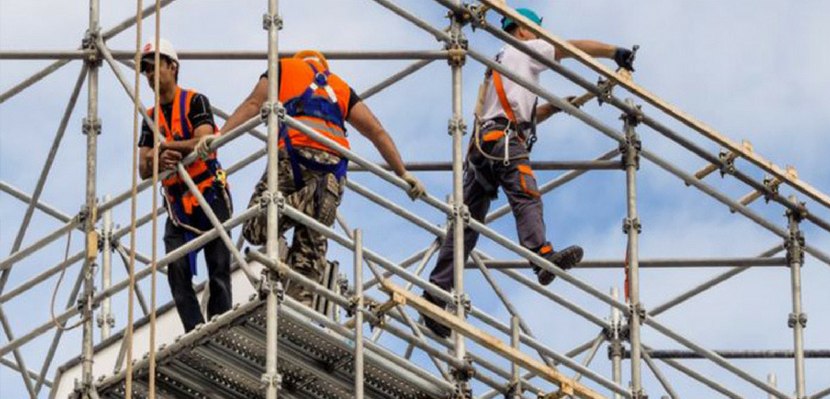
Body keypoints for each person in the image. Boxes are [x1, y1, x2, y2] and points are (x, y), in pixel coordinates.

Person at [421, 8, 637, 338]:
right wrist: (612, 52)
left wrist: (561, 105)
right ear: (521, 30)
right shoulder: (527, 49)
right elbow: (569, 47)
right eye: (535, 31)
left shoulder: (503, 62)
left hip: (483, 149)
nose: (540, 38)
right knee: (526, 194)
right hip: (504, 143)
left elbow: (523, 115)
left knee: (464, 230)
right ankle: (540, 256)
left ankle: (435, 296)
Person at [221, 51, 425, 306]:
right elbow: (376, 131)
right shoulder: (340, 87)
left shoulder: (284, 68)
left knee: (254, 227)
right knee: (309, 252)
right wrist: (403, 173)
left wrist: (218, 138)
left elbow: (253, 104)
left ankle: (315, 196)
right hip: (333, 170)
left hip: (294, 157)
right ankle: (299, 307)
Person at [137, 38, 233, 333]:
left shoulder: (195, 101)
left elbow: (206, 141)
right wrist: (157, 157)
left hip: (208, 194)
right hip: (178, 206)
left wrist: (169, 148)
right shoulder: (150, 119)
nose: (151, 76)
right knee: (176, 271)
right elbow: (143, 168)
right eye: (147, 71)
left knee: (218, 267)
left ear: (172, 66)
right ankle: (195, 329)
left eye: (155, 68)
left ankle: (220, 327)